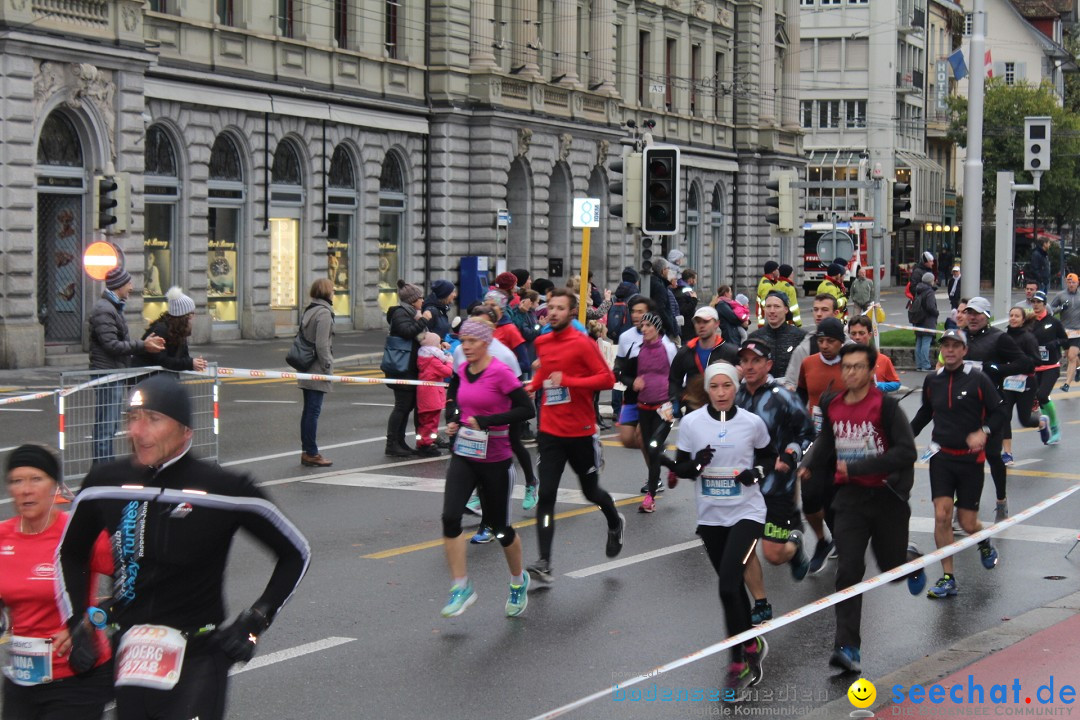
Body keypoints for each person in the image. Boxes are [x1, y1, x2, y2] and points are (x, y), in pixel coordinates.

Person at [57, 375, 310, 720]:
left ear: (185, 431)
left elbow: (296, 552)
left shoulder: (224, 488)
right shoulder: (105, 484)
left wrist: (255, 619)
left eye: (153, 419)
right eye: (132, 418)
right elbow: (70, 553)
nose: (138, 431)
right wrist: (76, 622)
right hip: (132, 655)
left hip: (199, 658)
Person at [799, 344, 923, 673]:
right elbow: (828, 439)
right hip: (850, 500)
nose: (850, 373)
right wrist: (809, 462)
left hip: (886, 497)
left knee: (891, 569)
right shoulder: (834, 404)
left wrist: (861, 467)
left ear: (871, 372)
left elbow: (907, 452)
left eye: (858, 367)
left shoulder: (886, 408)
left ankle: (909, 560)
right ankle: (847, 647)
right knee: (848, 571)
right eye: (846, 367)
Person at [661, 362, 773, 695]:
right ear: (707, 390)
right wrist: (696, 464)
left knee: (726, 585)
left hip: (747, 512)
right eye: (715, 387)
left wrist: (757, 473)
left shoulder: (752, 423)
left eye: (727, 386)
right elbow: (683, 467)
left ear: (735, 387)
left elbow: (769, 455)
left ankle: (737, 662)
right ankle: (751, 642)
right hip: (710, 517)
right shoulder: (693, 423)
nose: (721, 393)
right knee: (732, 585)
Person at [1, 445, 114, 720]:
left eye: (36, 479)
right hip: (22, 679)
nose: (26, 489)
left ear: (55, 487)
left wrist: (90, 621)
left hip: (77, 676)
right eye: (17, 481)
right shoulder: (3, 537)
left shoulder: (78, 534)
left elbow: (137, 583)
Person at [525, 289, 625, 584]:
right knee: (546, 496)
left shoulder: (582, 343)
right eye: (550, 307)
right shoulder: (542, 341)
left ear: (571, 313)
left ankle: (614, 520)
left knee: (590, 492)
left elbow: (607, 379)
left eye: (559, 308)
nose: (553, 312)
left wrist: (569, 381)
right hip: (551, 432)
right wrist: (533, 385)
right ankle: (544, 561)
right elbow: (547, 374)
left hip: (580, 432)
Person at [438, 318, 536, 617]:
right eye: (462, 341)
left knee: (500, 529)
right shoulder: (464, 370)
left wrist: (488, 422)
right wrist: (454, 418)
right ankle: (461, 586)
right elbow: (455, 398)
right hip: (464, 454)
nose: (464, 347)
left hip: (495, 459)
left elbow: (526, 409)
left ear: (486, 342)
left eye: (471, 341)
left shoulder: (501, 373)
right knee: (450, 517)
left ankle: (518, 581)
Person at [910, 329, 1005, 599]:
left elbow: (1000, 412)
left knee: (966, 522)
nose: (950, 350)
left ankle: (982, 539)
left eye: (955, 346)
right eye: (946, 346)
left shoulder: (978, 380)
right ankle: (948, 577)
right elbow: (925, 413)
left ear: (964, 351)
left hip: (970, 460)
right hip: (941, 456)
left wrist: (983, 431)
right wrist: (904, 436)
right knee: (942, 515)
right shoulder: (932, 381)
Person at [735, 340, 813, 627]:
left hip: (775, 486)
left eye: (756, 361)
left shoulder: (782, 396)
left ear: (768, 365)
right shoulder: (734, 397)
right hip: (743, 487)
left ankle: (794, 546)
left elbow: (807, 432)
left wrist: (791, 454)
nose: (750, 366)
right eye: (745, 361)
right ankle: (761, 603)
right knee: (742, 548)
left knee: (774, 555)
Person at [962, 297, 1034, 521]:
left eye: (977, 314)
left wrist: (998, 369)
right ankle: (962, 506)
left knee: (993, 456)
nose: (972, 317)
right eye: (969, 313)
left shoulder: (999, 338)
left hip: (993, 405)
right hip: (966, 406)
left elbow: (1027, 363)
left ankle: (1001, 500)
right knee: (963, 459)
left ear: (987, 316)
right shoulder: (960, 338)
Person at [89, 267, 166, 464]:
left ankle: (105, 471)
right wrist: (143, 346)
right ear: (119, 286)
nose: (131, 287)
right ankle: (104, 474)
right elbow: (112, 345)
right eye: (128, 283)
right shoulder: (104, 310)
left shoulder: (111, 308)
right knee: (106, 427)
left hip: (113, 373)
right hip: (107, 374)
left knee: (109, 426)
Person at [796, 316, 848, 573]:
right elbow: (802, 394)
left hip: (845, 442)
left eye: (830, 341)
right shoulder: (808, 364)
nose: (825, 345)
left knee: (836, 498)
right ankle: (821, 541)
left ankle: (843, 539)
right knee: (810, 498)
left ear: (841, 342)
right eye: (821, 340)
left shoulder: (852, 366)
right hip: (815, 440)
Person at [633, 312, 678, 513]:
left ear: (657, 328)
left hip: (663, 407)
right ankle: (672, 465)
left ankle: (650, 497)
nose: (644, 329)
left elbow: (679, 376)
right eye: (642, 326)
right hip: (643, 405)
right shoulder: (638, 348)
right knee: (652, 449)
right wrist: (632, 382)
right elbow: (625, 372)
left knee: (652, 448)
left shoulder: (668, 348)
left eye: (648, 326)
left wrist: (675, 399)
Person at [384, 280, 430, 457]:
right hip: (402, 367)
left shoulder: (410, 312)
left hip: (409, 366)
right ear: (412, 300)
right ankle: (392, 443)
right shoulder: (400, 314)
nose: (423, 300)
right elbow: (407, 332)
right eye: (420, 297)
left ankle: (400, 441)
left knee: (407, 405)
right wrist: (423, 320)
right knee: (402, 405)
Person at [297, 278, 335, 467]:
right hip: (317, 368)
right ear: (327, 293)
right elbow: (321, 344)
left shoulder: (310, 310)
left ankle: (307, 450)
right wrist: (327, 365)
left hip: (306, 366)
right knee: (313, 411)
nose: (334, 293)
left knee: (308, 411)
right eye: (333, 290)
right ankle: (311, 452)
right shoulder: (324, 313)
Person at [1000, 306, 1042, 469]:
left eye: (1017, 316)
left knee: (1024, 420)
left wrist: (1019, 363)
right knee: (1005, 416)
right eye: (1011, 315)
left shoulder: (1028, 338)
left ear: (1023, 320)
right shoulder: (1003, 337)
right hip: (1008, 382)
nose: (1013, 318)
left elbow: (1036, 361)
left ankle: (1041, 422)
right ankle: (1007, 453)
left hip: (1026, 382)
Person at [138, 287, 208, 373]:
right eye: (191, 313)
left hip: (162, 377)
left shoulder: (179, 330)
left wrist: (195, 363)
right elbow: (162, 360)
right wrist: (190, 363)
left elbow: (183, 357)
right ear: (184, 316)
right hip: (146, 378)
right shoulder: (161, 330)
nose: (193, 317)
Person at [1030, 291, 1067, 444]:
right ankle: (1046, 425)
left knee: (1043, 395)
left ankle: (1055, 427)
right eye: (1033, 302)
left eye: (1039, 302)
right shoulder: (1030, 323)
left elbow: (1065, 339)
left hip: (1051, 366)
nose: (1036, 305)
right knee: (1038, 397)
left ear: (1045, 304)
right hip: (1036, 367)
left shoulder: (1053, 322)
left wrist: (1055, 344)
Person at [783, 294, 841, 391]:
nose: (818, 314)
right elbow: (791, 382)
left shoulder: (849, 346)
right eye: (815, 309)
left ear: (835, 313)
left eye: (824, 310)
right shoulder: (804, 348)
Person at [748, 292, 805, 380]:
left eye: (777, 306)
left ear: (786, 309)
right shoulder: (755, 337)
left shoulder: (800, 337)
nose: (772, 311)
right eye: (768, 306)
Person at [416, 332, 453, 458]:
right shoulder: (433, 360)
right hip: (432, 395)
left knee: (426, 421)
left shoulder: (424, 358)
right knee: (431, 421)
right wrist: (449, 361)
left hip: (427, 394)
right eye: (438, 343)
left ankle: (424, 442)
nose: (440, 346)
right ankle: (427, 444)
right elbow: (447, 372)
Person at [847, 316, 900, 392]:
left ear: (869, 335)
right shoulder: (843, 359)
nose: (857, 337)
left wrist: (880, 386)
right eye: (853, 333)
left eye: (861, 333)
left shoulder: (883, 359)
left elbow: (896, 383)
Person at [1049, 273, 1080, 391]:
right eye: (1069, 282)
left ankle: (1067, 384)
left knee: (1072, 356)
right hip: (1065, 331)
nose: (1071, 284)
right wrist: (1061, 308)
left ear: (1078, 283)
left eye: (1073, 282)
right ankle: (1078, 369)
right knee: (1069, 356)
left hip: (1078, 330)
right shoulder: (1060, 295)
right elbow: (1050, 310)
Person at [909, 272, 939, 372]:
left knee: (919, 342)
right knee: (926, 342)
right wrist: (936, 312)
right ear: (931, 280)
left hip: (918, 319)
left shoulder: (918, 290)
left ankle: (919, 365)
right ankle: (925, 365)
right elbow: (931, 307)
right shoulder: (929, 292)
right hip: (927, 320)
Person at [756, 261, 780, 328]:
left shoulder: (767, 281)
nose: (778, 271)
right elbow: (766, 304)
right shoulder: (767, 285)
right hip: (766, 318)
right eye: (777, 269)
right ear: (773, 271)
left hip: (764, 317)